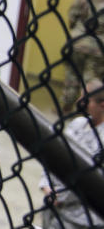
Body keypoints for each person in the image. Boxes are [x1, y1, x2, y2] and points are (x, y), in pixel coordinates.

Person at [40, 79, 104, 228]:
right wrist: (46, 185)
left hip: (82, 219)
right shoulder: (77, 124)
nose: (80, 102)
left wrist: (59, 196)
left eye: (86, 100)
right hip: (54, 208)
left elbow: (88, 180)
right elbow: (54, 156)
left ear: (102, 105)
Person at [62, 0, 104, 112]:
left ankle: (66, 107)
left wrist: (79, 31)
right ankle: (86, 110)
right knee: (91, 80)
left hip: (78, 41)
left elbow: (72, 17)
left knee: (71, 75)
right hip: (99, 46)